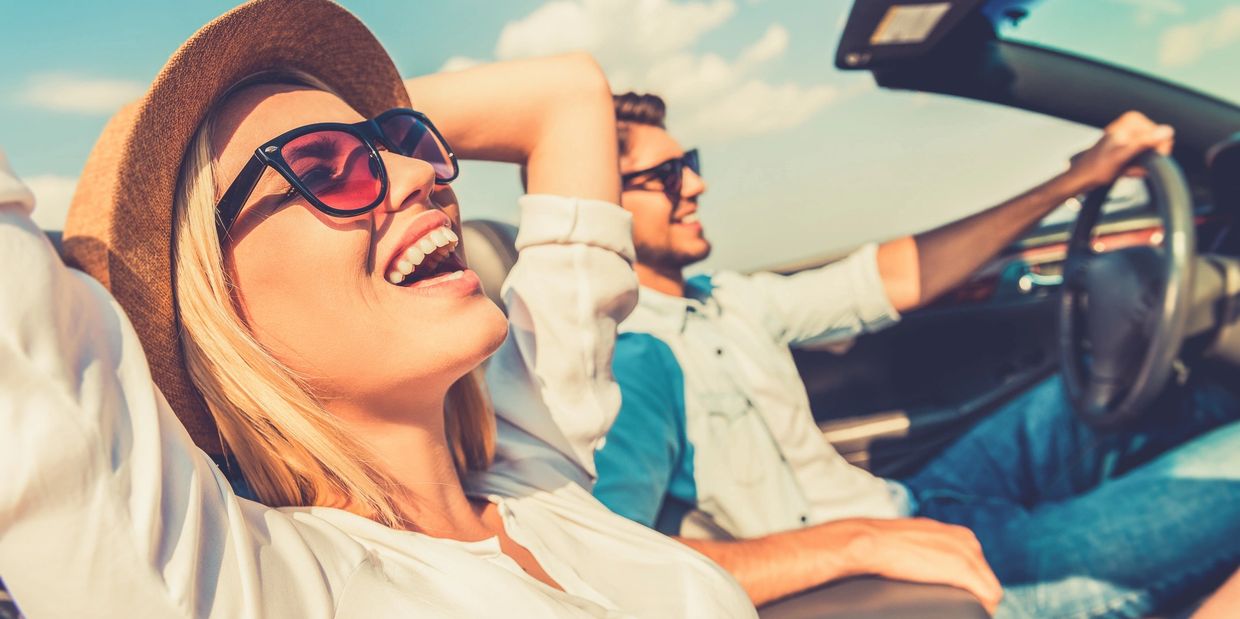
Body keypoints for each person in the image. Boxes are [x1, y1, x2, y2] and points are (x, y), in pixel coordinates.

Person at [0, 2, 757, 616]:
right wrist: (157, 171)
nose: (421, 171)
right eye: (323, 167)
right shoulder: (254, 582)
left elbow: (567, 95)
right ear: (215, 301)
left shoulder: (536, 464)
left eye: (401, 138)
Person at [591, 92, 1240, 616]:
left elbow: (893, 277)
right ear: (602, 205)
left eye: (691, 161)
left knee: (1111, 386)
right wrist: (858, 544)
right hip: (913, 576)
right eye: (667, 175)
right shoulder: (627, 361)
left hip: (920, 499)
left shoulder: (727, 299)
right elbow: (623, 568)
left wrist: (1076, 180)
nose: (697, 185)